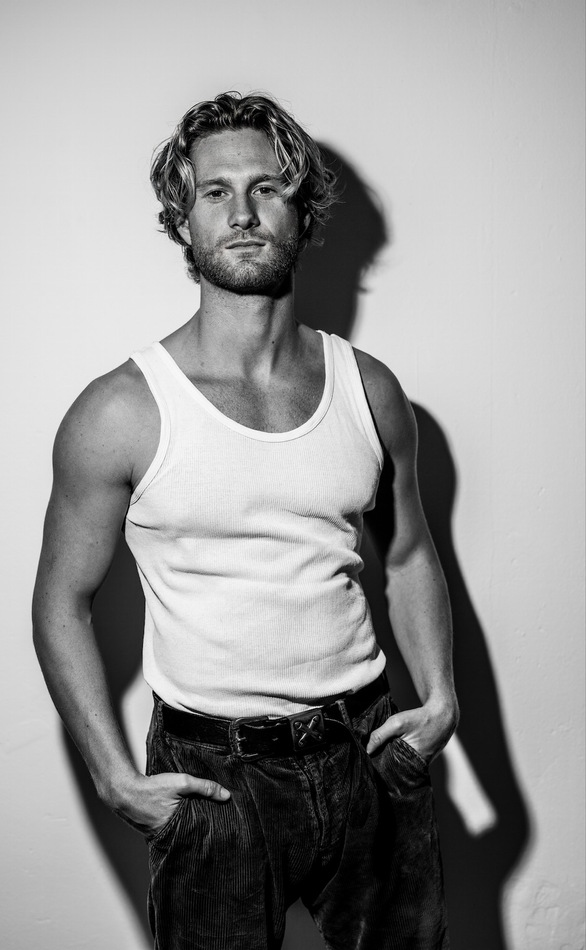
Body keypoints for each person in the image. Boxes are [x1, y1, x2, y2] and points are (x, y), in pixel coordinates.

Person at [32, 91, 459, 950]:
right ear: (181, 219)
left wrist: (442, 697)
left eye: (267, 188)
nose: (243, 213)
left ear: (303, 211)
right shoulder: (121, 411)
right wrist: (113, 774)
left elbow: (409, 555)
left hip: (368, 748)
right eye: (215, 192)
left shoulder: (370, 389)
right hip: (212, 775)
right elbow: (61, 601)